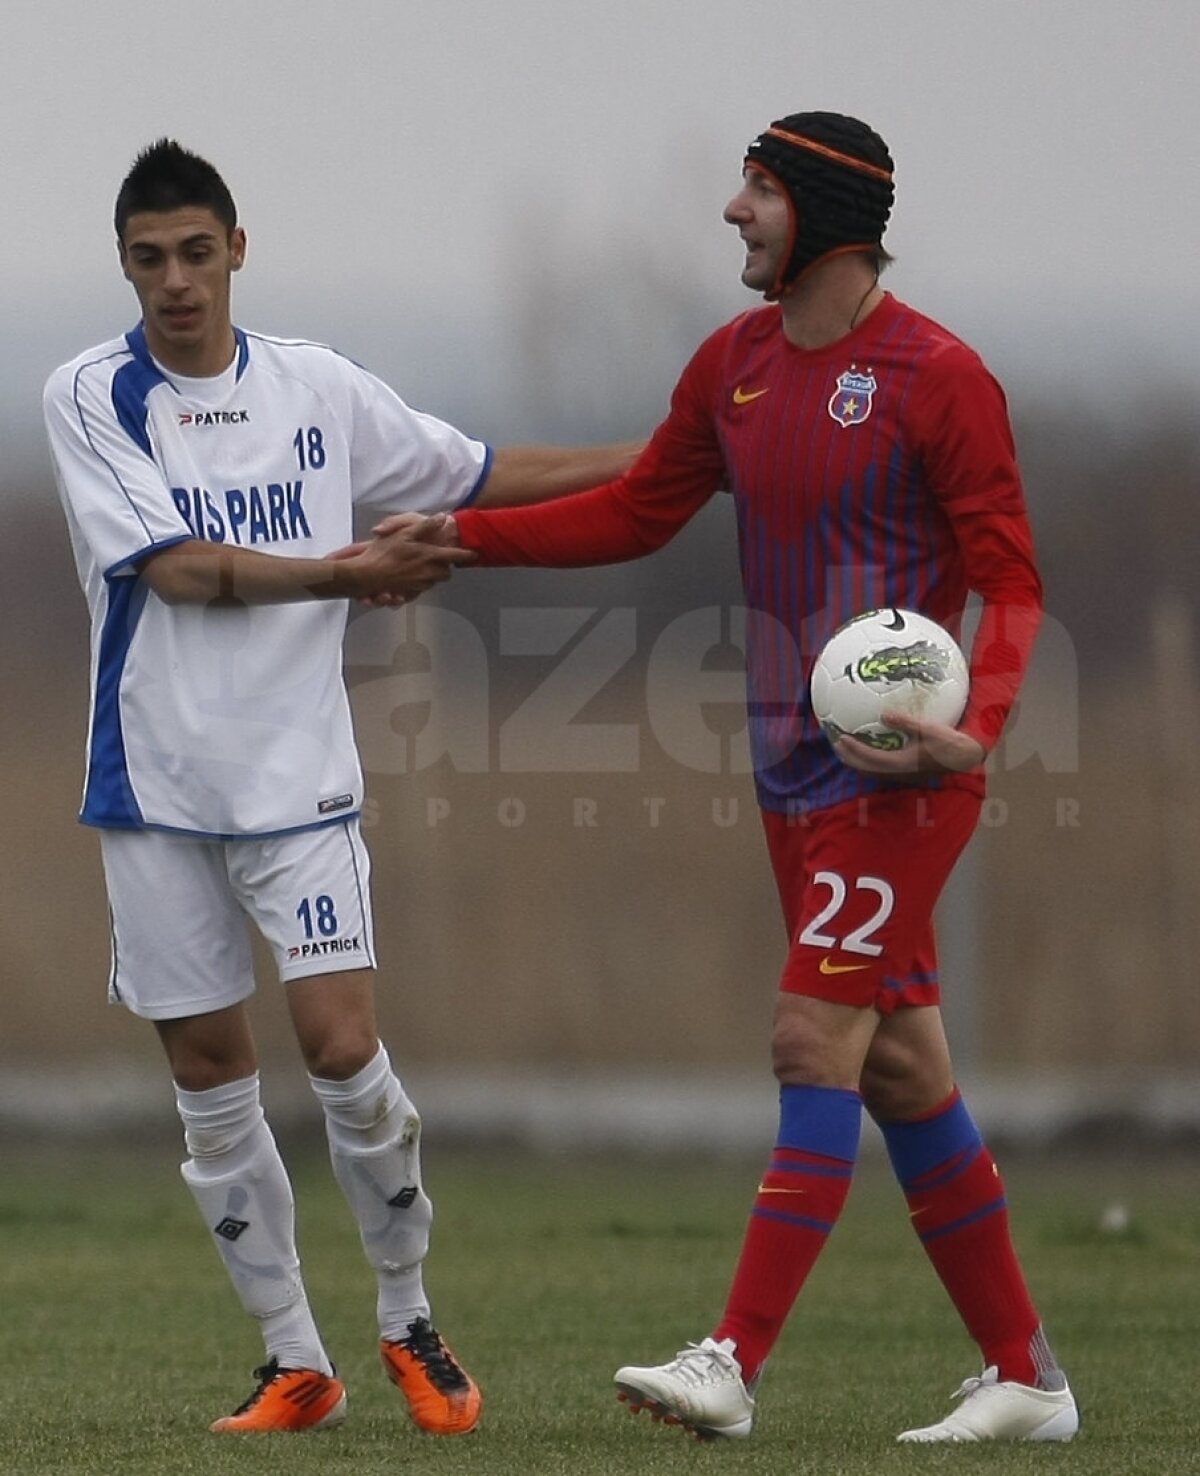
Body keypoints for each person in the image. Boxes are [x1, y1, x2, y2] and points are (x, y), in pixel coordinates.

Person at [382, 111, 1079, 1443]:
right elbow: (641, 504)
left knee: (812, 1037)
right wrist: (463, 542)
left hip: (904, 781)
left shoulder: (938, 376)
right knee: (904, 1070)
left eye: (755, 191)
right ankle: (1030, 1379)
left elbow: (1013, 578)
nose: (730, 214)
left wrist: (978, 721)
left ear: (818, 211)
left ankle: (732, 1363)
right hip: (789, 775)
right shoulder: (735, 365)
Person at [43, 138, 640, 1436]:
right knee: (211, 1075)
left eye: (198, 252)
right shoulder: (90, 395)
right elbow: (186, 569)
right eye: (151, 259)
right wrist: (346, 572)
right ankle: (293, 1359)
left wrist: (663, 462)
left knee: (344, 1049)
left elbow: (475, 478)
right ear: (126, 266)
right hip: (150, 790)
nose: (177, 281)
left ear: (238, 249)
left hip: (299, 787)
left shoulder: (317, 390)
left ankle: (409, 1319)